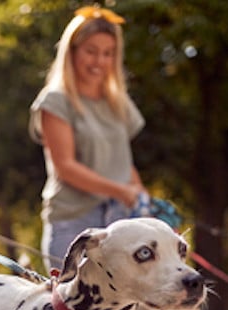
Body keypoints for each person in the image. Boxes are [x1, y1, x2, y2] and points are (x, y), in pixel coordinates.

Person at [30, 5, 146, 269]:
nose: (99, 61)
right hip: (75, 222)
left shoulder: (117, 102)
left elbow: (122, 163)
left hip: (120, 219)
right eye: (91, 51)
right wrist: (122, 191)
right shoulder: (55, 101)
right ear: (72, 52)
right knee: (74, 308)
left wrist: (147, 205)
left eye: (108, 53)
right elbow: (66, 167)